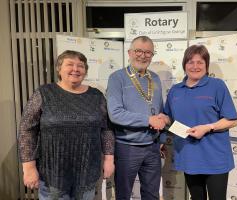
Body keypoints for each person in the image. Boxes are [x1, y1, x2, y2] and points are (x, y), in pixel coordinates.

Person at [18, 50, 115, 200]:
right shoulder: (44, 93)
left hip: (87, 174)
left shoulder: (96, 96)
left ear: (85, 71)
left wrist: (109, 159)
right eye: (70, 64)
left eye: (80, 66)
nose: (75, 69)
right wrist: (28, 167)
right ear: (59, 69)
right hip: (53, 175)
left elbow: (106, 129)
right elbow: (27, 130)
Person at [164, 44, 237, 200]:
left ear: (206, 65)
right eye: (190, 62)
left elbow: (232, 120)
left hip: (215, 158)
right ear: (184, 64)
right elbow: (169, 118)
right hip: (189, 156)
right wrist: (160, 120)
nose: (195, 66)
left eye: (200, 62)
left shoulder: (217, 86)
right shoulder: (175, 90)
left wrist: (208, 127)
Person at [106, 36, 168, 200]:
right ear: (130, 52)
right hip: (127, 147)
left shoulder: (154, 78)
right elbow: (115, 114)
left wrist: (161, 138)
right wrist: (147, 120)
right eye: (138, 51)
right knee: (124, 195)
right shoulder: (117, 77)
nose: (143, 55)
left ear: (152, 55)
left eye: (148, 52)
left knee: (152, 194)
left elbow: (159, 110)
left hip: (153, 147)